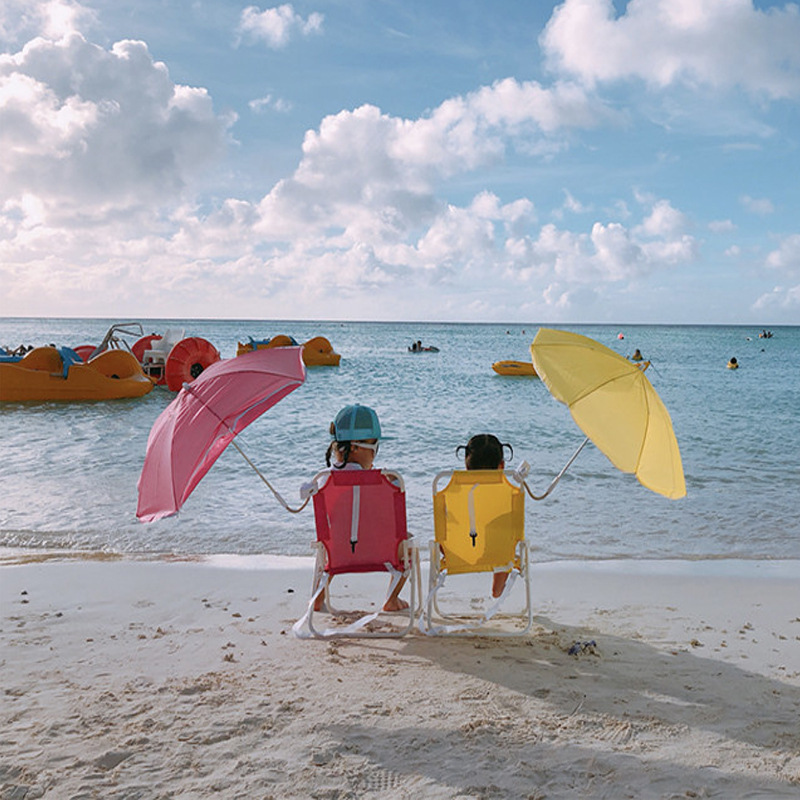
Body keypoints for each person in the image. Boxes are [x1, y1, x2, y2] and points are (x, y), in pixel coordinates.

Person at [315, 404, 409, 613]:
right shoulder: (386, 481)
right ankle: (392, 599)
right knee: (407, 542)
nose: (376, 453)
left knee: (326, 547)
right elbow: (388, 520)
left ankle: (318, 598)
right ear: (356, 448)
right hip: (380, 549)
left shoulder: (325, 479)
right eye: (374, 446)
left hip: (337, 550)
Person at [455, 433, 514, 598]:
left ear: (467, 467)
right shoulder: (507, 495)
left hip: (459, 554)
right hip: (496, 553)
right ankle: (498, 587)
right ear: (501, 466)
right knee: (505, 537)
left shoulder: (455, 492)